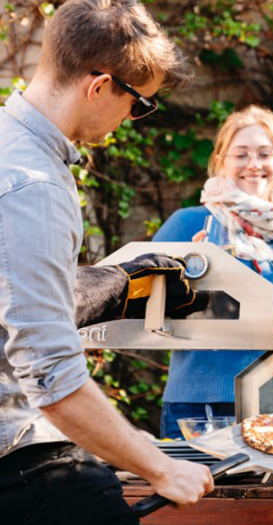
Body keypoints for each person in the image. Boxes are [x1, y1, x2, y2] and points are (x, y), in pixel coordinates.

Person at [0, 1, 215, 524]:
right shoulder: (35, 186)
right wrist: (161, 468)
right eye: (139, 104)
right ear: (98, 87)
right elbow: (49, 373)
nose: (135, 119)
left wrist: (125, 440)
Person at [155, 105, 273, 439]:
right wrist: (192, 275)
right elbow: (141, 307)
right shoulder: (188, 224)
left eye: (264, 153)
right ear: (220, 161)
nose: (254, 164)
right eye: (241, 154)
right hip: (199, 410)